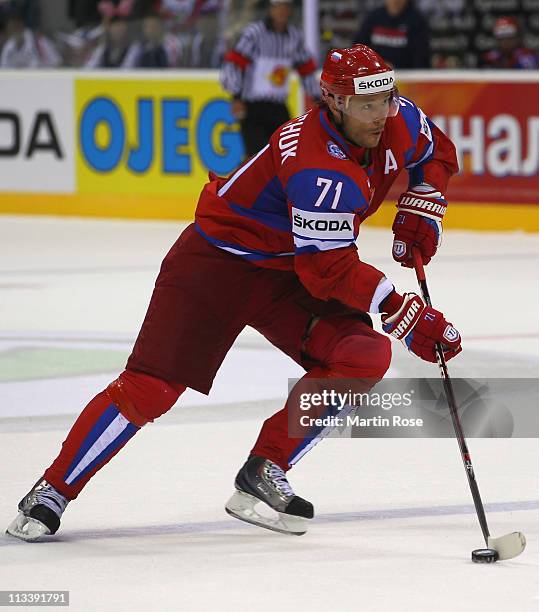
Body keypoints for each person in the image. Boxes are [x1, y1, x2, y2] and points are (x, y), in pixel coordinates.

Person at [6, 44, 462, 542]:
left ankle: (264, 470)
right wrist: (405, 313)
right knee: (151, 388)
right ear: (333, 102)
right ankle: (52, 489)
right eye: (365, 104)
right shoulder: (317, 166)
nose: (380, 114)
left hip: (284, 270)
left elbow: (436, 149)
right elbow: (328, 269)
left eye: (387, 99)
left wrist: (426, 197)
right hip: (215, 265)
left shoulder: (398, 119)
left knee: (363, 353)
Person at [220, 0, 319, 157]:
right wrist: (236, 97)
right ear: (270, 10)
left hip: (278, 105)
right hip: (253, 106)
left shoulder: (294, 37)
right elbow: (234, 64)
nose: (282, 11)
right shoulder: (255, 34)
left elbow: (305, 68)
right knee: (256, 157)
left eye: (285, 7)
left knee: (286, 154)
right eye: (278, 6)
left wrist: (315, 97)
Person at [353, 0, 430, 69]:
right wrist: (375, 65)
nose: (395, 1)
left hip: (404, 76)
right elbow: (359, 47)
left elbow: (421, 57)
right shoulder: (373, 17)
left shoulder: (417, 21)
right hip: (374, 73)